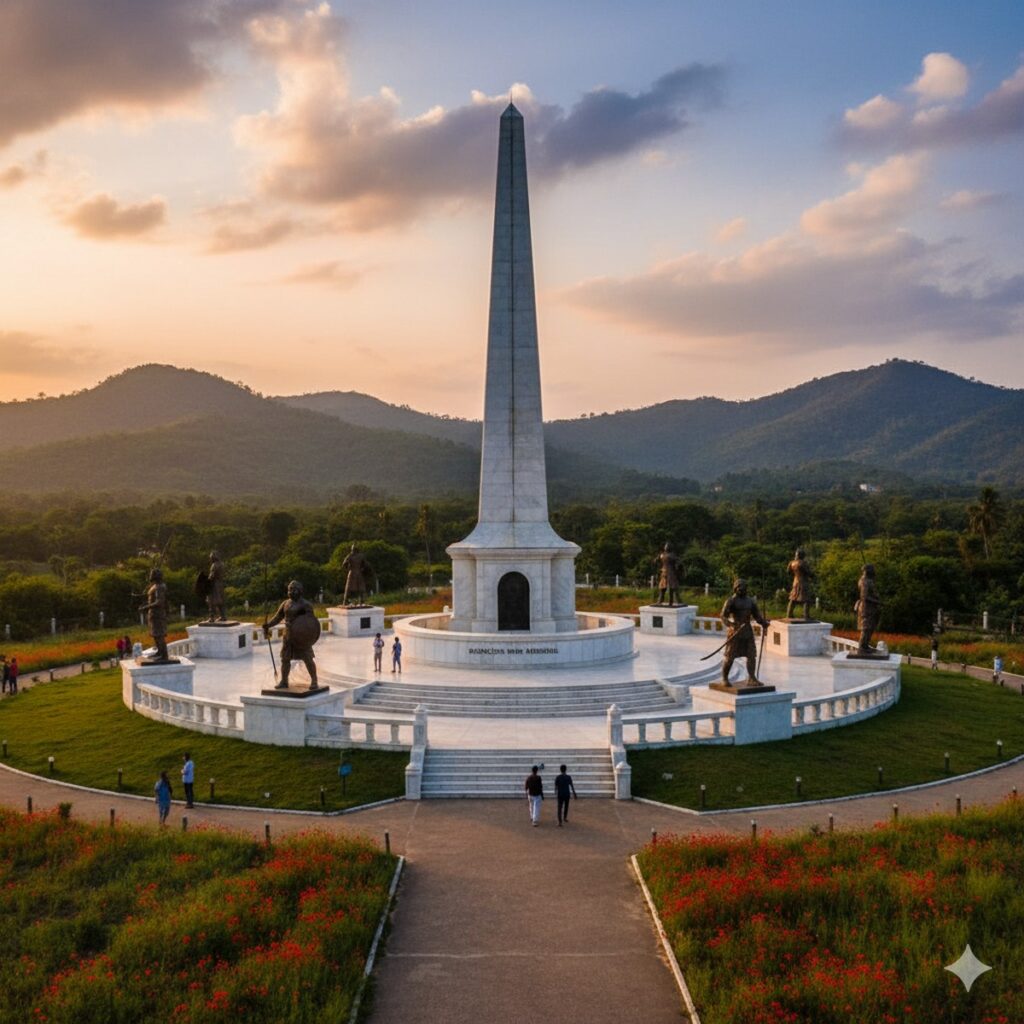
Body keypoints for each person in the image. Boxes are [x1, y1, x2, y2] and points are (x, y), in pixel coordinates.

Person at [263, 580, 320, 690]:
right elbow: (278, 617)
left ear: (300, 591)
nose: (291, 591)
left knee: (308, 659)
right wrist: (268, 625)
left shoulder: (306, 605)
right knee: (285, 659)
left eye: (294, 589)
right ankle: (284, 681)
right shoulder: (285, 604)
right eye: (290, 589)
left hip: (301, 637)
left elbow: (310, 623)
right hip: (288, 636)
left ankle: (314, 680)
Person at [720, 579, 769, 686]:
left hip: (747, 631)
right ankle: (724, 678)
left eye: (743, 587)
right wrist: (731, 624)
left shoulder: (750, 601)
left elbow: (757, 616)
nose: (741, 589)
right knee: (730, 656)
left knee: (751, 655)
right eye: (739, 587)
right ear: (735, 588)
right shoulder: (731, 601)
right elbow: (723, 616)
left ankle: (752, 678)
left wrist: (763, 623)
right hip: (735, 632)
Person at [138, 568, 170, 662]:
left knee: (160, 635)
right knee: (155, 634)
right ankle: (159, 652)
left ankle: (164, 655)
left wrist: (146, 607)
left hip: (158, 614)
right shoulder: (155, 586)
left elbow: (159, 602)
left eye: (152, 574)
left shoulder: (160, 587)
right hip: (153, 614)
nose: (150, 576)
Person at [854, 564, 881, 655]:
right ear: (868, 571)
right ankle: (862, 648)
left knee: (870, 627)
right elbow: (864, 597)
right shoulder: (864, 581)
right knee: (866, 628)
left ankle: (865, 646)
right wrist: (877, 602)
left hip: (871, 608)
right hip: (866, 608)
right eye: (872, 570)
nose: (874, 571)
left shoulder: (869, 580)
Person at [785, 548, 815, 620]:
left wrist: (795, 574)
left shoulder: (791, 563)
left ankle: (789, 614)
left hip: (795, 582)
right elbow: (808, 573)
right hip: (803, 582)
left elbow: (788, 572)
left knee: (793, 598)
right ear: (802, 555)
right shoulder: (802, 563)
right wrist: (812, 575)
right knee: (806, 599)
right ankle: (806, 615)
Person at [205, 550, 227, 622]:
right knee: (221, 601)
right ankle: (223, 616)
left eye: (211, 557)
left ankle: (211, 617)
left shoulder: (214, 565)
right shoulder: (222, 564)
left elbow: (211, 576)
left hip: (214, 585)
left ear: (213, 558)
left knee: (211, 601)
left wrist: (207, 581)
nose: (210, 559)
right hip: (221, 584)